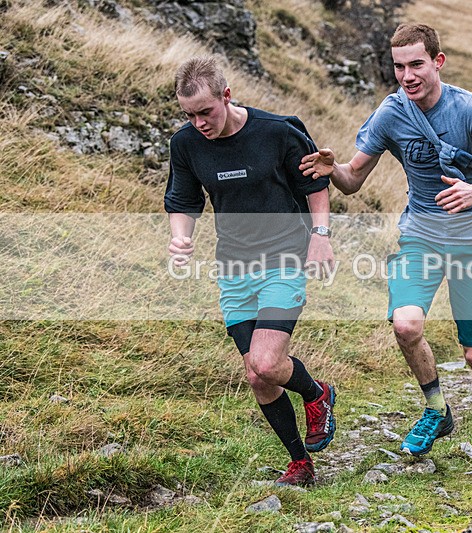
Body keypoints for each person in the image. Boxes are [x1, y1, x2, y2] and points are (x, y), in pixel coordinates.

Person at [300, 23, 472, 469]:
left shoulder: (471, 111)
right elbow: (352, 181)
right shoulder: (391, 115)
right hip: (420, 236)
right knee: (405, 326)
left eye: (416, 64)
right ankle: (436, 409)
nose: (407, 75)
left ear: (437, 62)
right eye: (399, 66)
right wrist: (333, 168)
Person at [164, 57, 336, 487]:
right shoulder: (185, 144)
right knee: (258, 377)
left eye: (206, 111)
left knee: (265, 360)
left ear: (226, 95)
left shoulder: (278, 131)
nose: (199, 122)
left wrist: (321, 234)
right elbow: (184, 201)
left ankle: (317, 395)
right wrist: (180, 237)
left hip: (285, 259)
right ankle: (301, 462)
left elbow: (315, 185)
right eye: (189, 115)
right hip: (234, 268)